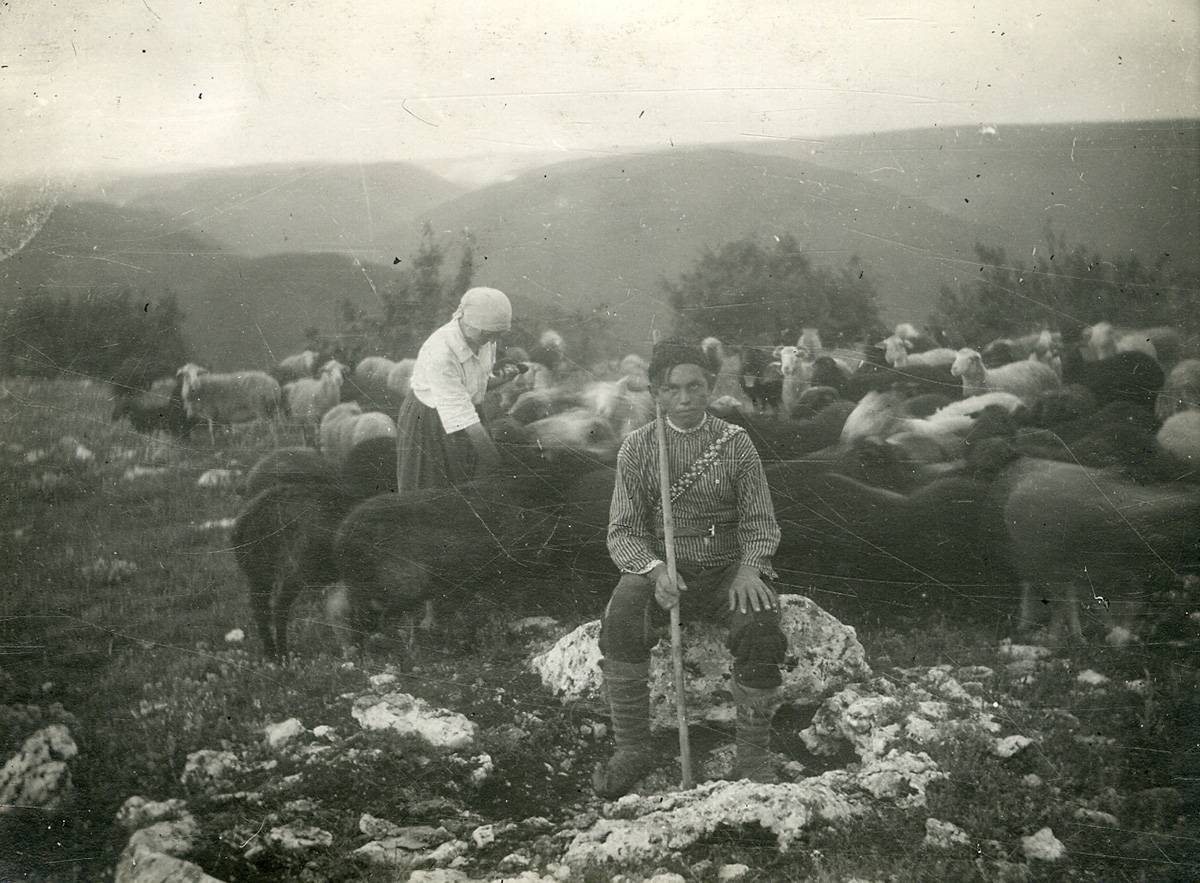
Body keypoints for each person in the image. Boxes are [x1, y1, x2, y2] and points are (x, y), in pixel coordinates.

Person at [593, 338, 787, 798]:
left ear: (710, 386)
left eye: (695, 386)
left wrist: (750, 570)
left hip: (726, 570)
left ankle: (752, 756)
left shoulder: (735, 443)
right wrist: (656, 571)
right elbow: (623, 531)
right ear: (655, 394)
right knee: (621, 618)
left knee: (761, 626)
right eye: (672, 389)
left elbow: (761, 522)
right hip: (662, 570)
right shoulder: (637, 447)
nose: (685, 399)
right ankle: (633, 749)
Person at [398, 286, 524, 492]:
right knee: (434, 489)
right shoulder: (441, 353)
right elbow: (465, 420)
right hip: (430, 420)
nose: (493, 341)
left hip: (465, 412)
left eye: (497, 335)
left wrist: (498, 380)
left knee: (469, 481)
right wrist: (500, 467)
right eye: (489, 335)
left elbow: (473, 384)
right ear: (473, 324)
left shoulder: (483, 338)